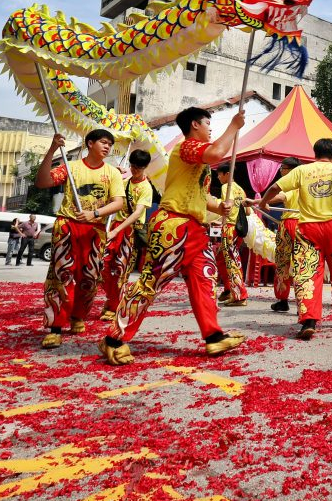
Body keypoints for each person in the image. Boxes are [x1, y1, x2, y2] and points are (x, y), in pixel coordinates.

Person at [100, 107, 247, 365]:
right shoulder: (186, 147)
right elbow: (216, 152)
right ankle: (113, 339)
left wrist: (218, 207)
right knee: (150, 283)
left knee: (205, 281)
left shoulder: (198, 160)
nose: (210, 128)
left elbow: (200, 195)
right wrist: (234, 126)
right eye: (207, 123)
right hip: (173, 226)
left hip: (195, 229)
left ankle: (213, 336)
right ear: (194, 125)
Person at [35, 129, 126, 350]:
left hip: (95, 230)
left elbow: (118, 202)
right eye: (103, 142)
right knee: (60, 275)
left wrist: (94, 213)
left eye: (110, 144)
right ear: (90, 143)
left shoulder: (112, 173)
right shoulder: (71, 166)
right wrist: (53, 149)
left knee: (89, 278)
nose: (107, 147)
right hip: (67, 226)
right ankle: (56, 327)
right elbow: (43, 181)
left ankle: (78, 315)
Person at [257, 139, 332, 341]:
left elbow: (275, 188)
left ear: (315, 153)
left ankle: (309, 320)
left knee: (308, 272)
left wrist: (264, 202)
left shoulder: (301, 171)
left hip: (308, 228)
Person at [99, 150, 153, 322]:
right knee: (101, 265)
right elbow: (109, 199)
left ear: (145, 167)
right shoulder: (124, 182)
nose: (135, 170)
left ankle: (114, 306)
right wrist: (114, 175)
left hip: (130, 232)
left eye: (139, 167)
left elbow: (137, 214)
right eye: (133, 166)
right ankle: (112, 299)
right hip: (115, 227)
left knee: (121, 270)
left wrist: (117, 230)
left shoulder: (146, 188)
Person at [265, 157, 300, 313]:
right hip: (306, 225)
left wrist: (262, 200)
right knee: (303, 264)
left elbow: (281, 197)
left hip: (290, 224)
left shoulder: (291, 183)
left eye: (282, 168)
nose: (280, 171)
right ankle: (304, 304)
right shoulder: (307, 183)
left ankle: (283, 300)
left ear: (290, 170)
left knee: (283, 263)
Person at [214, 164, 249, 307]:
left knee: (232, 261)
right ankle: (229, 290)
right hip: (237, 229)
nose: (218, 177)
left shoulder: (226, 188)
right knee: (221, 258)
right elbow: (248, 211)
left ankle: (240, 296)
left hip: (229, 228)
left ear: (227, 174)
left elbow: (226, 209)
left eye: (219, 174)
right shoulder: (240, 189)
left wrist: (220, 220)